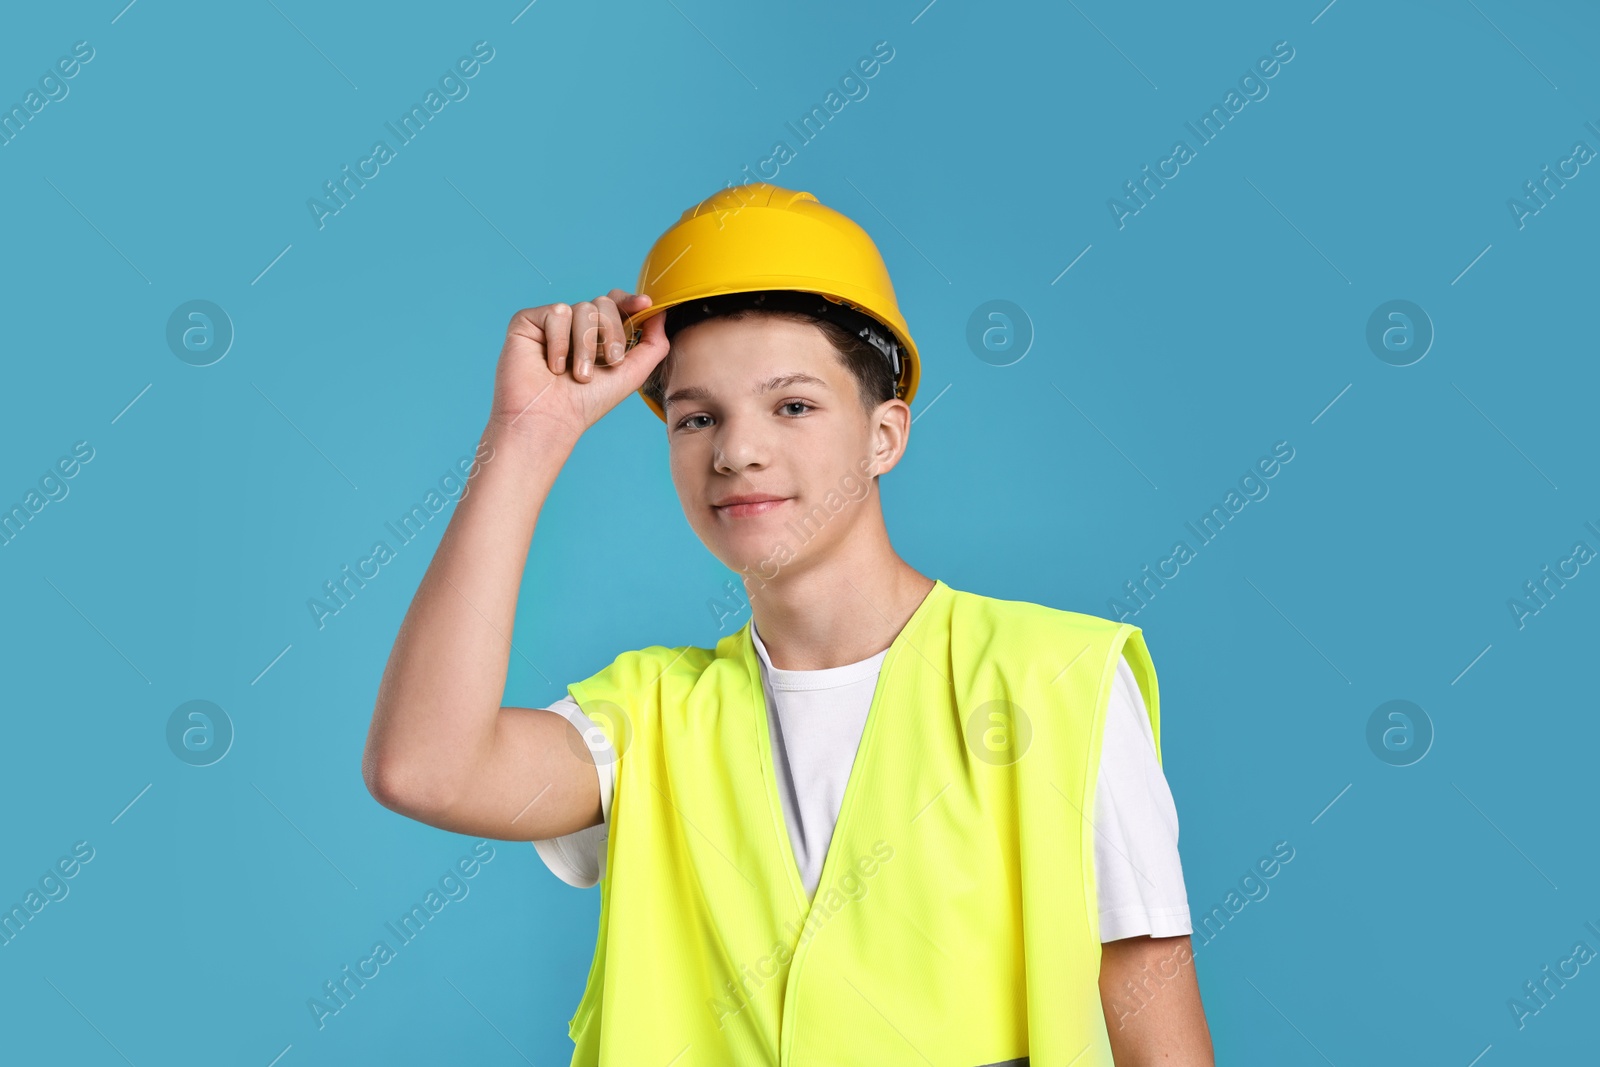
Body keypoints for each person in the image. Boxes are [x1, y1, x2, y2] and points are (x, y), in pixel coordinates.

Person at [363, 183, 1215, 1065]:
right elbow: (424, 766)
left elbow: (1156, 1026)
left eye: (794, 405)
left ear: (884, 435)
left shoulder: (1058, 681)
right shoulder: (647, 719)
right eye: (697, 416)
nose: (737, 450)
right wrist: (528, 436)